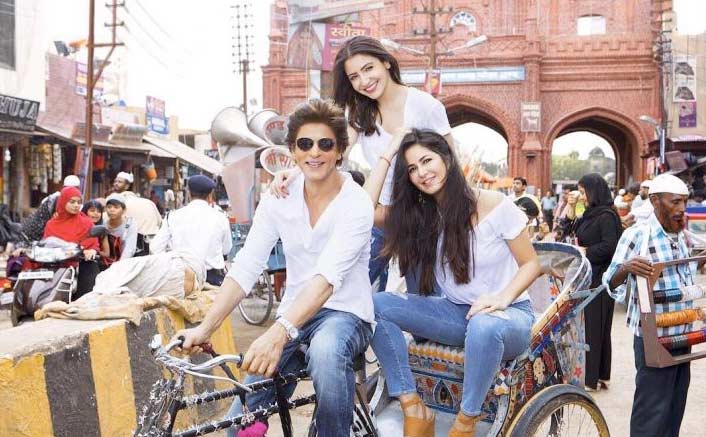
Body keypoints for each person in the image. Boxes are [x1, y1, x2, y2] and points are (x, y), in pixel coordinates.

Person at [174, 99, 374, 437]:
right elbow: (247, 264)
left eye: (325, 144)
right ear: (292, 150)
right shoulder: (279, 195)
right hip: (294, 313)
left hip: (345, 312)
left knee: (326, 354)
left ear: (340, 151)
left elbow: (327, 279)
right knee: (240, 421)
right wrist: (205, 328)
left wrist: (277, 334)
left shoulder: (356, 203)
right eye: (305, 144)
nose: (314, 152)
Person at [366, 128, 539, 437]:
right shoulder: (422, 213)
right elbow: (364, 211)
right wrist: (388, 154)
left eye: (426, 161)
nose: (422, 173)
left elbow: (531, 264)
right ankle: (413, 406)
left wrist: (501, 298)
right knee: (375, 305)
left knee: (484, 324)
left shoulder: (494, 204)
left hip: (508, 317)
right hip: (456, 313)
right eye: (412, 169)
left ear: (446, 157)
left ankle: (465, 422)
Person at [272, 36, 454, 294]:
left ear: (386, 62)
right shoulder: (360, 113)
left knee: (424, 299)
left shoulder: (425, 106)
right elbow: (334, 151)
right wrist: (294, 171)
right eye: (354, 77)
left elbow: (451, 163)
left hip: (423, 218)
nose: (364, 81)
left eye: (368, 68)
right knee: (338, 286)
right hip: (381, 218)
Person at [602, 174, 693, 437]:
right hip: (653, 339)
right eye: (675, 202)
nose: (682, 209)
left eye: (684, 202)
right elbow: (609, 281)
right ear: (655, 201)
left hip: (684, 334)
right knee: (651, 411)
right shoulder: (638, 235)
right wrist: (626, 268)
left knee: (674, 408)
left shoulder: (681, 235)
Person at [566, 174, 622, 392]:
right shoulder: (590, 214)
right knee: (594, 326)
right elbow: (569, 230)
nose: (581, 196)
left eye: (583, 192)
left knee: (596, 328)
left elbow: (610, 246)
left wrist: (586, 251)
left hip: (601, 278)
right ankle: (599, 375)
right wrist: (571, 207)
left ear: (594, 191)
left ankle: (592, 379)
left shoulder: (607, 216)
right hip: (590, 277)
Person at [151, 175, 232, 286]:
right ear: (210, 195)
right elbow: (226, 249)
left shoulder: (173, 216)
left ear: (189, 194)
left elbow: (155, 248)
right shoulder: (221, 217)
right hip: (212, 279)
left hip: (182, 279)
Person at [43, 186, 101, 298]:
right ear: (63, 201)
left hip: (80, 263)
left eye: (79, 202)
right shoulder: (51, 224)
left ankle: (84, 303)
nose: (76, 205)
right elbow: (47, 244)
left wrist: (92, 250)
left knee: (90, 267)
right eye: (72, 202)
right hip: (56, 264)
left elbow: (93, 243)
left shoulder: (86, 222)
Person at [112, 171, 162, 256]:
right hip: (151, 249)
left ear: (127, 186)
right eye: (115, 181)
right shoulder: (148, 203)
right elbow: (160, 224)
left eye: (119, 182)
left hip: (129, 248)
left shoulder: (116, 203)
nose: (116, 184)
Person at [22, 175, 82, 241]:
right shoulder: (53, 200)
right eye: (72, 202)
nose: (76, 205)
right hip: (38, 235)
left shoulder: (80, 211)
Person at [100, 193, 138, 268]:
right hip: (104, 262)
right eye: (109, 207)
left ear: (124, 210)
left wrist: (119, 266)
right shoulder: (102, 223)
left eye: (116, 207)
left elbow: (130, 248)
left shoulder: (130, 223)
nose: (112, 210)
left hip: (123, 263)